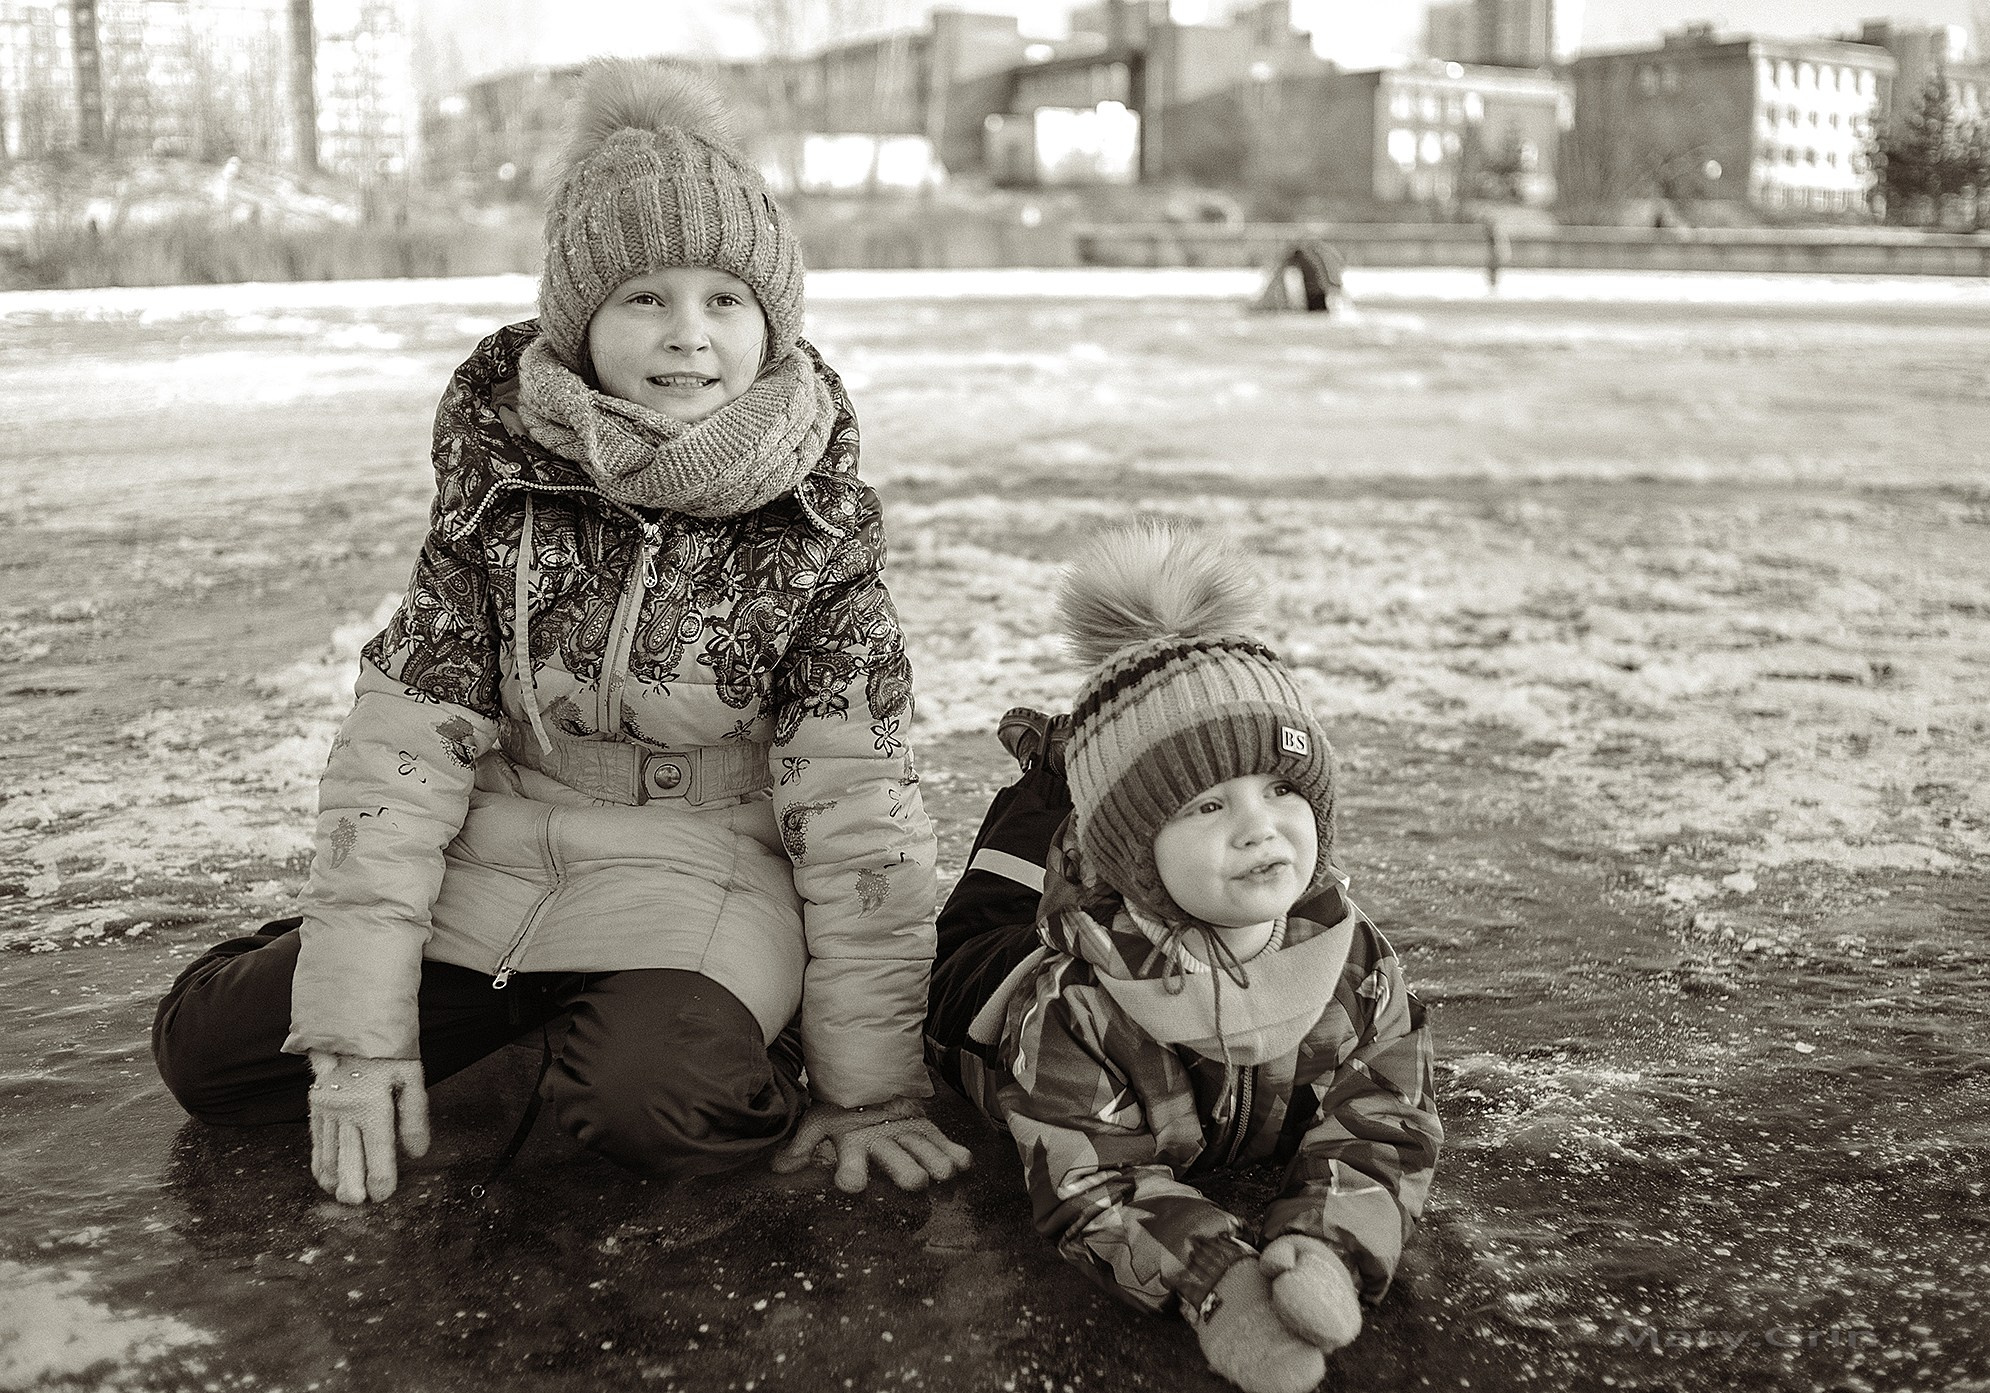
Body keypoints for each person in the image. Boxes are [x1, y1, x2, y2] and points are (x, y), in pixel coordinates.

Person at [152, 59, 968, 1204]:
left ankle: (723, 1021)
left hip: (704, 878)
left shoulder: (817, 526)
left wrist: (868, 1086)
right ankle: (420, 968)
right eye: (644, 297)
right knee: (209, 1058)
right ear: (581, 320)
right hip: (498, 855)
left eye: (723, 299)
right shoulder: (498, 487)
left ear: (769, 322)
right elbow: (402, 745)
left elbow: (855, 807)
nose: (688, 334)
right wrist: (359, 1017)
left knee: (653, 1109)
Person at [923, 524, 1441, 1393]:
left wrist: (1327, 1243)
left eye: (1283, 789)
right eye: (1207, 803)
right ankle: (1060, 770)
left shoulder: (1357, 963)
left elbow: (1387, 1116)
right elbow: (1091, 1185)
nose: (1259, 827)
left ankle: (1110, 775)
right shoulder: (1076, 1011)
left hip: (1128, 866)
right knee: (996, 899)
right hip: (992, 966)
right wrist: (1219, 1283)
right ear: (1133, 851)